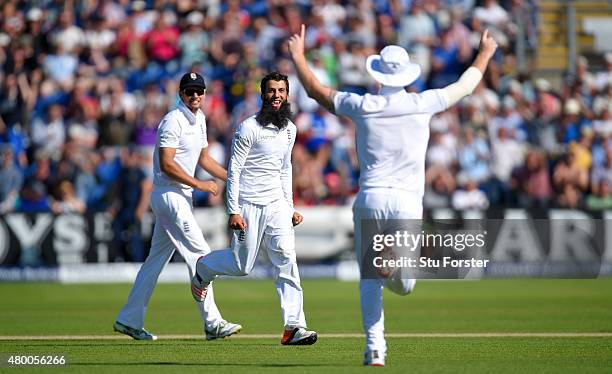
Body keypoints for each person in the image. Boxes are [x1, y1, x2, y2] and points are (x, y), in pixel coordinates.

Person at [288, 25, 498, 366]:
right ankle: (395, 261)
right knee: (406, 285)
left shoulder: (363, 104)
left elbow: (315, 91)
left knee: (370, 278)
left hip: (370, 196)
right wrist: (485, 53)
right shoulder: (421, 102)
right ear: (407, 76)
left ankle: (375, 349)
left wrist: (298, 56)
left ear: (378, 75)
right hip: (405, 201)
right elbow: (466, 85)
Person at [191, 72, 318, 346]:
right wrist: (233, 211)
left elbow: (285, 169)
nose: (277, 96)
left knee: (286, 259)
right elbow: (234, 170)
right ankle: (204, 267)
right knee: (242, 265)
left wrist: (290, 206)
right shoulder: (248, 127)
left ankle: (294, 326)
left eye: (281, 91)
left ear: (287, 94)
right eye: (271, 91)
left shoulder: (290, 129)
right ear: (263, 95)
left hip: (277, 206)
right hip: (248, 204)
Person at [114, 72, 242, 341]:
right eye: (189, 91)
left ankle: (128, 319)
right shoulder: (172, 120)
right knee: (201, 255)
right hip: (169, 195)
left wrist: (231, 176)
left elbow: (204, 158)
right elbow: (167, 164)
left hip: (180, 197)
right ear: (180, 94)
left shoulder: (201, 119)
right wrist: (200, 184)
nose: (195, 96)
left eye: (199, 91)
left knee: (155, 261)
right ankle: (212, 323)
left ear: (205, 94)